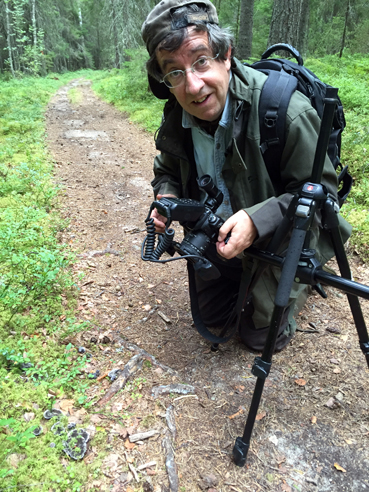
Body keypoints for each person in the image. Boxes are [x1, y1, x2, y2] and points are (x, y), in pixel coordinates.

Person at [141, 0, 351, 351]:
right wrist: (167, 197)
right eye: (175, 72)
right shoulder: (177, 117)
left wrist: (257, 221)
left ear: (226, 55)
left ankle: (299, 276)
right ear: (164, 80)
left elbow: (322, 196)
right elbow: (166, 169)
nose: (192, 86)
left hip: (279, 238)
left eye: (201, 61)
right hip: (219, 238)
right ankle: (253, 278)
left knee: (259, 338)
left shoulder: (285, 111)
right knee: (213, 319)